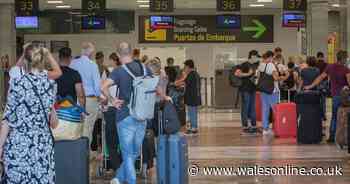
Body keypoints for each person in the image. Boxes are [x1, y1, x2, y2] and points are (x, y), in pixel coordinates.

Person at [0, 47, 59, 184]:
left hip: (20, 144)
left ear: (24, 62)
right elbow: (54, 123)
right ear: (43, 62)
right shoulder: (51, 85)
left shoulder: (17, 84)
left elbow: (8, 120)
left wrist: (0, 146)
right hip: (43, 145)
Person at [101, 42, 153, 184]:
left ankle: (125, 179)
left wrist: (112, 100)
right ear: (131, 52)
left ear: (118, 55)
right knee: (134, 152)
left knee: (129, 154)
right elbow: (154, 86)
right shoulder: (145, 68)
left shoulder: (118, 71)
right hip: (142, 115)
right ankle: (119, 178)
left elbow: (103, 86)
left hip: (125, 116)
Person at [305, 50, 350, 143]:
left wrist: (310, 86)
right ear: (344, 59)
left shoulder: (330, 67)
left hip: (335, 96)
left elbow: (320, 77)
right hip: (345, 96)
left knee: (334, 116)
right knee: (347, 116)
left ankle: (332, 137)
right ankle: (345, 137)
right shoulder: (346, 69)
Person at [70, 42, 101, 148]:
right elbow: (97, 87)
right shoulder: (93, 65)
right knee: (88, 128)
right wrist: (100, 97)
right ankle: (84, 155)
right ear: (91, 53)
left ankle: (76, 154)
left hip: (74, 100)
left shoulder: (72, 63)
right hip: (90, 100)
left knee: (76, 127)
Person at [258, 51, 289, 136]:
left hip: (263, 90)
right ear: (271, 57)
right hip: (272, 91)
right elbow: (275, 78)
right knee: (276, 109)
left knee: (265, 109)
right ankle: (278, 127)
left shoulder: (261, 65)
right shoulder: (271, 65)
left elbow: (258, 77)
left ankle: (265, 129)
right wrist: (284, 77)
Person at [100, 53, 121, 173]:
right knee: (122, 139)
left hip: (110, 109)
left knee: (110, 139)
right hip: (122, 109)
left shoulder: (107, 72)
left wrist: (104, 103)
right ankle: (124, 164)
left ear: (112, 60)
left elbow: (102, 90)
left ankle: (115, 165)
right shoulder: (125, 72)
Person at [175, 59, 201, 135]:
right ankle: (192, 127)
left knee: (192, 113)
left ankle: (194, 128)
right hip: (193, 97)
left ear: (188, 67)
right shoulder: (195, 74)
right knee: (192, 113)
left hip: (192, 98)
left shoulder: (192, 74)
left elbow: (184, 82)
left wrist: (176, 82)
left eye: (185, 66)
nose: (184, 68)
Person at [235, 60, 257, 135]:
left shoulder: (247, 67)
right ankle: (252, 126)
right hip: (250, 90)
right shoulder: (249, 66)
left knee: (246, 108)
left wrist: (246, 74)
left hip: (247, 90)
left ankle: (246, 126)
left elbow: (237, 74)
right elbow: (237, 73)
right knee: (250, 108)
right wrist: (248, 74)